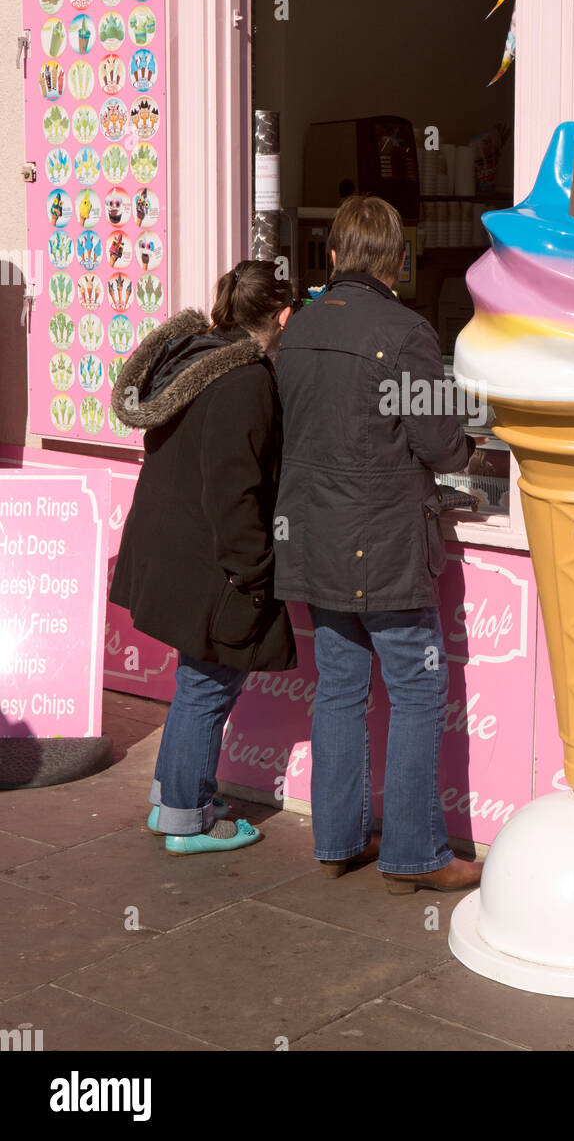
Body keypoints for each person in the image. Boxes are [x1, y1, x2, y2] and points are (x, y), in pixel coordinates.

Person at [273, 195, 483, 894]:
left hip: (316, 540)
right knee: (418, 693)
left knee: (338, 689)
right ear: (398, 259)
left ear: (332, 256)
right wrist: (471, 438)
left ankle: (336, 841)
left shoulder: (297, 329)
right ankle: (417, 856)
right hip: (385, 546)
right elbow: (442, 442)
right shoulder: (405, 332)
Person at [109, 261, 296, 854]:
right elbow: (234, 488)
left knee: (196, 678)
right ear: (283, 317)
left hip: (173, 552)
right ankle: (185, 817)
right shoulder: (246, 380)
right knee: (207, 684)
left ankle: (175, 790)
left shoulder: (190, 358)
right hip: (212, 563)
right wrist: (254, 569)